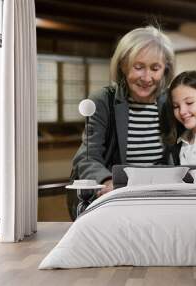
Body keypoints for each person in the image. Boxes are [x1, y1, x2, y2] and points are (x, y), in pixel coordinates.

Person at [71, 26, 175, 197]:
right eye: (139, 67)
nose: (147, 78)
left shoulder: (170, 103)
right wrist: (106, 181)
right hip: (119, 195)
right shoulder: (104, 100)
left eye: (155, 68)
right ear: (123, 66)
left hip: (159, 196)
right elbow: (87, 157)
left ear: (165, 70)